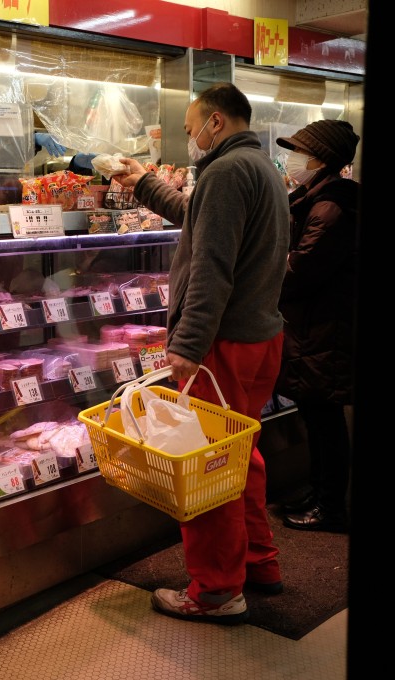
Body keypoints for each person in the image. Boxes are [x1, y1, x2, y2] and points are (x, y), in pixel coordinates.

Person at [111, 82, 290, 625]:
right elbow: (202, 220)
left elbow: (212, 266)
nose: (189, 139)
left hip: (224, 341)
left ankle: (215, 590)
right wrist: (143, 183)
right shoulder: (259, 168)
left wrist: (186, 344)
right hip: (259, 338)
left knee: (205, 466)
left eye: (190, 129)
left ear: (215, 122)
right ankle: (258, 561)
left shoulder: (226, 172)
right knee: (240, 458)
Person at [273, 120, 359, 532]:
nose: (294, 159)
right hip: (317, 327)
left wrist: (268, 274)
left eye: (300, 152)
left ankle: (330, 507)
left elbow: (300, 270)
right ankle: (319, 491)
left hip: (326, 329)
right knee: (316, 413)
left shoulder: (330, 208)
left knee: (324, 419)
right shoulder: (320, 198)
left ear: (321, 160)